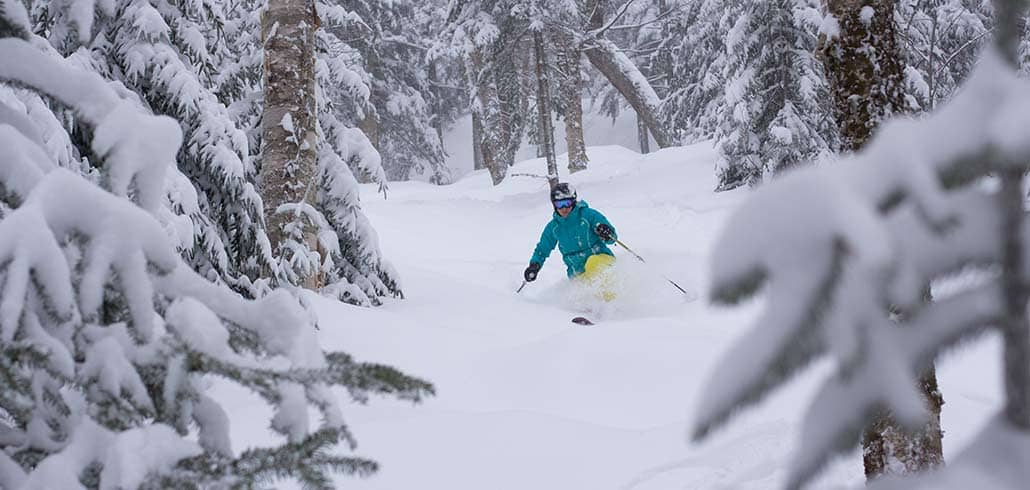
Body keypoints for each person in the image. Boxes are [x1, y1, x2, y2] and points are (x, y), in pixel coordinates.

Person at [523, 183, 618, 299]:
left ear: (573, 202)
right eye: (559, 204)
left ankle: (612, 303)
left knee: (593, 263)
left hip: (603, 261)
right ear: (554, 205)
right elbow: (542, 249)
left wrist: (606, 233)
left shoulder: (588, 215)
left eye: (567, 203)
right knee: (579, 291)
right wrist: (534, 265)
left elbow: (612, 238)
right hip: (577, 271)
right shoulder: (554, 227)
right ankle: (592, 310)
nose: (564, 208)